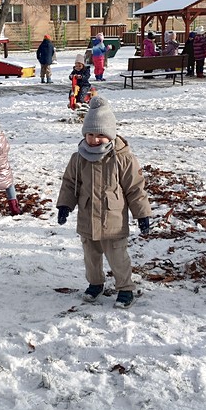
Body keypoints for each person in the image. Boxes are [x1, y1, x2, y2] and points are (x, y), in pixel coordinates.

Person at [56, 96, 151, 309]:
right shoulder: (78, 158)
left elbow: (135, 188)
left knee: (118, 257)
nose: (94, 140)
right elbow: (70, 184)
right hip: (88, 218)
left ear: (110, 135)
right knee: (91, 257)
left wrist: (142, 214)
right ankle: (95, 283)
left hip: (113, 220)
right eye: (90, 134)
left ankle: (125, 288)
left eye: (100, 135)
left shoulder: (123, 159)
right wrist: (65, 205)